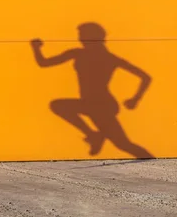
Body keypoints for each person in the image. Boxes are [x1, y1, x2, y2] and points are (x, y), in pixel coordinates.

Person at [30, 22, 153, 158]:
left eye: (83, 35)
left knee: (123, 144)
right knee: (123, 144)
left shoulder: (108, 58)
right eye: (80, 35)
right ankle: (93, 135)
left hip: (102, 106)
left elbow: (145, 77)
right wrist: (36, 48)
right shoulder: (78, 53)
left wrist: (135, 99)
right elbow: (44, 63)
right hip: (90, 105)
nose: (80, 39)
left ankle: (94, 136)